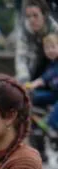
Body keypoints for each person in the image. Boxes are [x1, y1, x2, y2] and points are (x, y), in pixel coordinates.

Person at [26, 32, 58, 161]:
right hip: (54, 94)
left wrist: (33, 84)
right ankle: (37, 124)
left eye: (53, 47)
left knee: (54, 118)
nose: (49, 51)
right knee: (33, 98)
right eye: (47, 48)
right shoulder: (50, 63)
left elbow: (46, 78)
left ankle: (52, 127)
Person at [15, 0, 58, 84]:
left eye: (35, 15)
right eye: (28, 16)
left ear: (44, 15)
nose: (31, 20)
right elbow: (21, 58)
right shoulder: (24, 32)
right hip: (33, 71)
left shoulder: (54, 29)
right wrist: (24, 79)